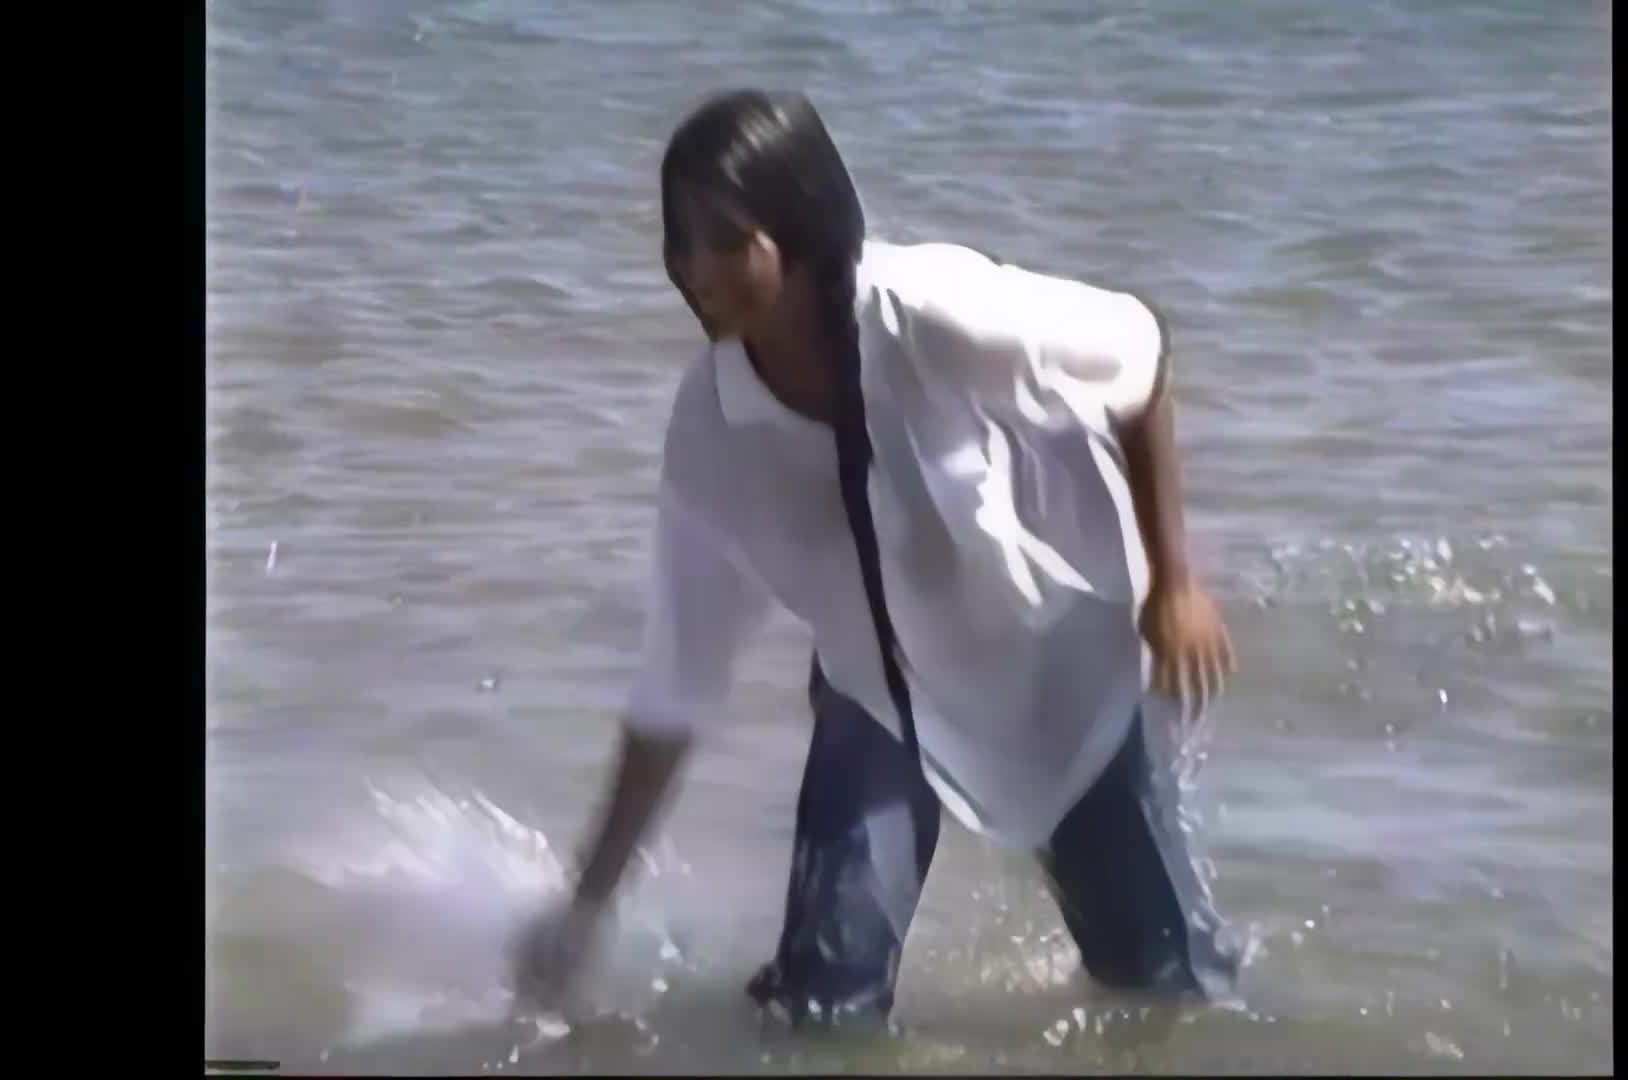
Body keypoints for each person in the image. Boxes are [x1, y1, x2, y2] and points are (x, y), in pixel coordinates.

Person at [515, 88, 1242, 1025]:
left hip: (1058, 668)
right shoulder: (711, 430)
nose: (693, 268)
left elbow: (1139, 355)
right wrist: (586, 908)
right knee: (822, 1011)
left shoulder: (932, 314)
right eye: (679, 240)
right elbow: (675, 683)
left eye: (724, 238)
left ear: (800, 227)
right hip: (878, 696)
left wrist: (1174, 584)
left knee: (1168, 997)